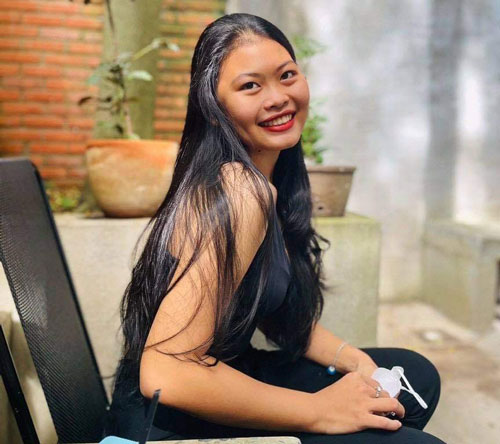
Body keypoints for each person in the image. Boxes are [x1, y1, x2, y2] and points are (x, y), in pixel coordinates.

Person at [106, 13, 445, 444]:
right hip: (169, 423)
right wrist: (319, 412)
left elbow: (276, 317)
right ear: (214, 110)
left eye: (286, 75)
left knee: (414, 378)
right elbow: (167, 370)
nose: (278, 98)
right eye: (251, 86)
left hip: (231, 371)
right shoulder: (239, 191)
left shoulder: (268, 181)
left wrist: (355, 360)